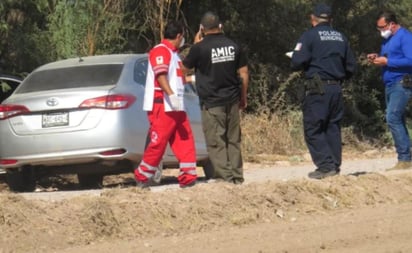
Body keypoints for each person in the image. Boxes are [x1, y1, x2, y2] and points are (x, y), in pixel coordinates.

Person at [290, 3, 356, 179]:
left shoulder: (309, 36)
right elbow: (351, 66)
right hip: (336, 87)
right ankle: (334, 165)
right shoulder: (342, 37)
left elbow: (296, 62)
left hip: (317, 88)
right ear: (331, 20)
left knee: (313, 127)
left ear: (313, 19)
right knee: (332, 127)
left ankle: (325, 166)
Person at [182, 11, 249, 184]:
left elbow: (182, 70)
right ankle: (237, 176)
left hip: (212, 102)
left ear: (202, 29)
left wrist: (196, 45)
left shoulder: (199, 48)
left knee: (215, 140)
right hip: (232, 99)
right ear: (220, 27)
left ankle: (224, 178)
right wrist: (243, 97)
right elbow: (244, 73)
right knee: (233, 139)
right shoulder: (234, 46)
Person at [134, 20, 197, 188]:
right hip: (163, 105)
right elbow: (160, 76)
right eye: (182, 37)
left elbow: (177, 78)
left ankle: (188, 177)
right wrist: (171, 95)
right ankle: (142, 176)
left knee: (185, 140)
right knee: (158, 142)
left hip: (176, 106)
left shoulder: (174, 54)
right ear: (178, 36)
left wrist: (193, 80)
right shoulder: (160, 51)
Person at [367, 11, 412, 171]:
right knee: (397, 118)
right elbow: (389, 59)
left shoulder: (405, 37)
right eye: (378, 28)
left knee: (392, 117)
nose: (380, 31)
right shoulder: (388, 40)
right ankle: (406, 157)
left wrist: (388, 61)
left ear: (392, 24)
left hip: (402, 82)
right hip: (390, 83)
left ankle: (404, 159)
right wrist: (378, 58)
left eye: (382, 27)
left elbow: (410, 60)